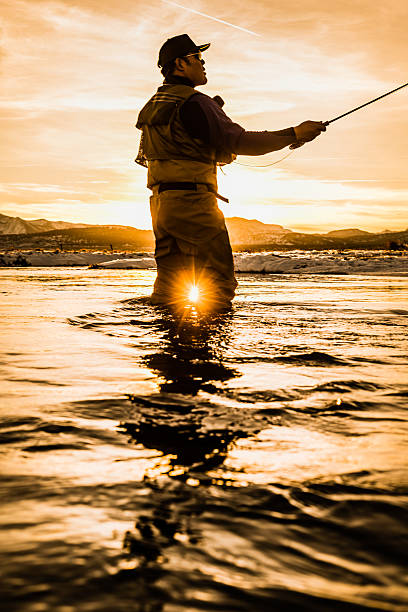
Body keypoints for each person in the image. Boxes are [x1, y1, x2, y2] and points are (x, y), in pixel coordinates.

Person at [136, 34, 325, 310]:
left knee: (169, 286)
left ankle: (168, 348)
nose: (203, 64)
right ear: (179, 64)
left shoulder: (153, 106)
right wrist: (294, 133)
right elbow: (241, 142)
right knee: (218, 282)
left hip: (161, 206)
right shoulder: (195, 103)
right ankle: (207, 349)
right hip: (194, 204)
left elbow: (178, 150)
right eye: (197, 59)